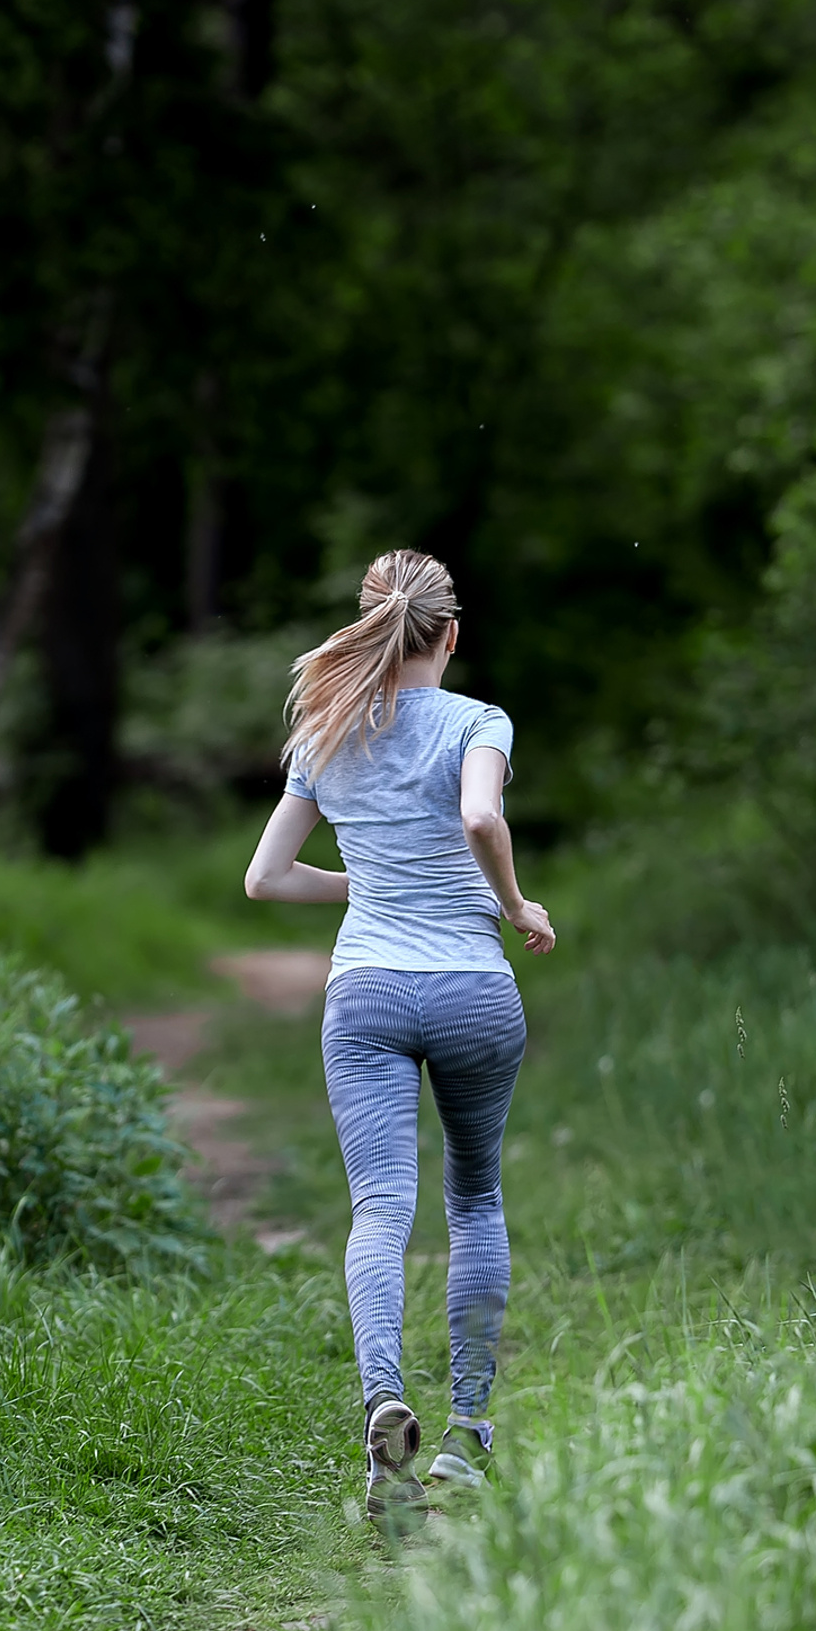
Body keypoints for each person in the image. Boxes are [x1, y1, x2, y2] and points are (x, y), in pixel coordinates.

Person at [244, 548, 554, 1522]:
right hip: (470, 988)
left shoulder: (327, 733)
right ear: (451, 634)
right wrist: (513, 906)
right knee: (474, 1200)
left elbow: (266, 880)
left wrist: (370, 885)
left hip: (368, 992)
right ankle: (466, 1438)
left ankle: (385, 1410)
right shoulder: (477, 721)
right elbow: (479, 818)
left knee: (380, 1208)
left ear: (372, 625)